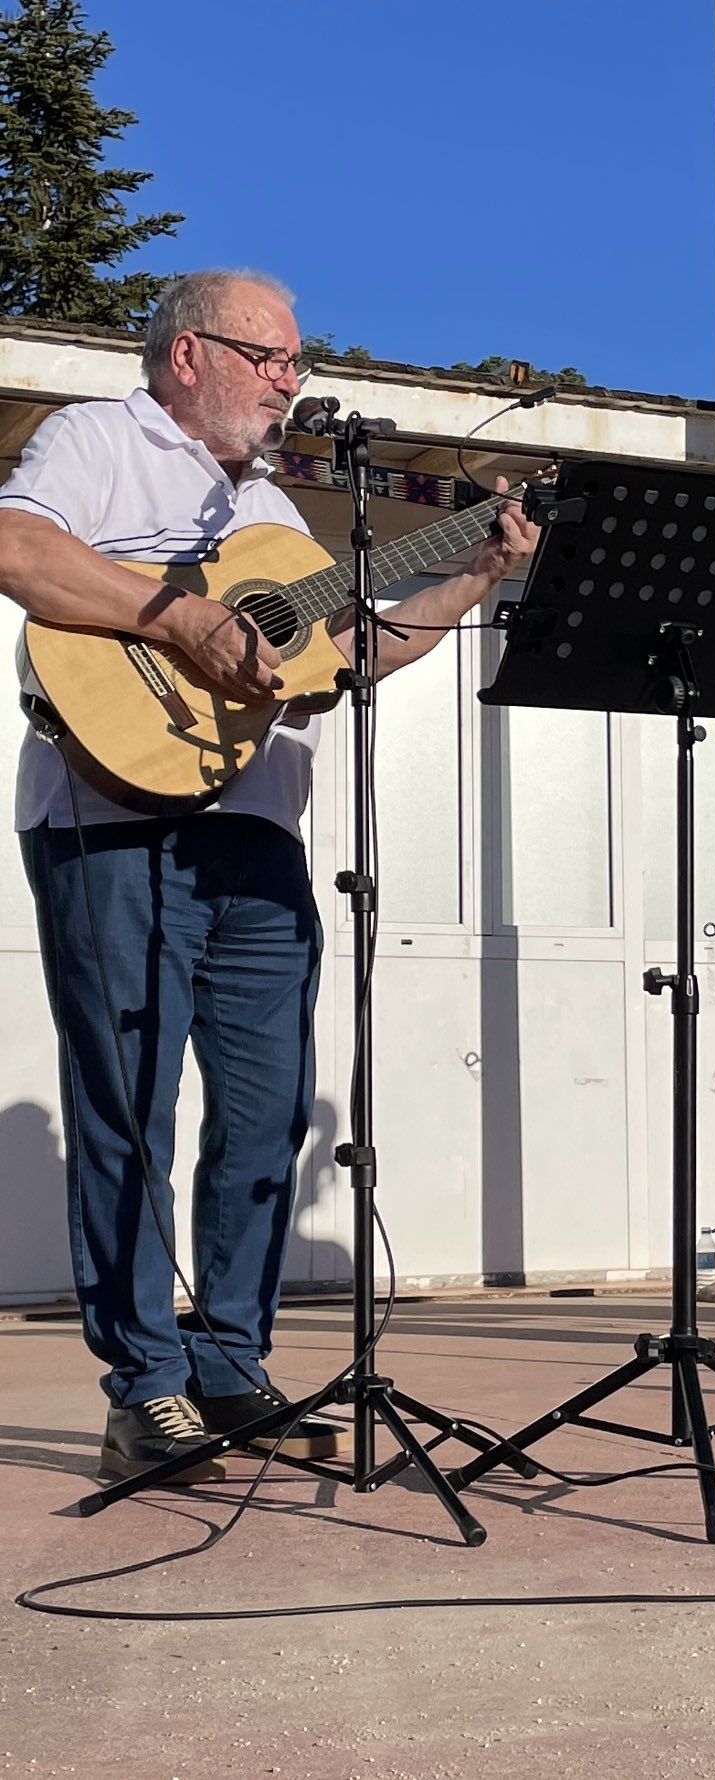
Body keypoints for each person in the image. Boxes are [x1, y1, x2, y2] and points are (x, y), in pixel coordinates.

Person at [0, 270, 539, 1478]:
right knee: (129, 1110)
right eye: (272, 358)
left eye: (296, 363)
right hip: (110, 819)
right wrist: (173, 620)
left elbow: (345, 657)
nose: (292, 382)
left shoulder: (278, 517)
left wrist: (473, 576)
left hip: (257, 841)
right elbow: (15, 546)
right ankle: (145, 1387)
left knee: (267, 1112)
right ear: (189, 353)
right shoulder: (98, 437)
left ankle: (231, 1365)